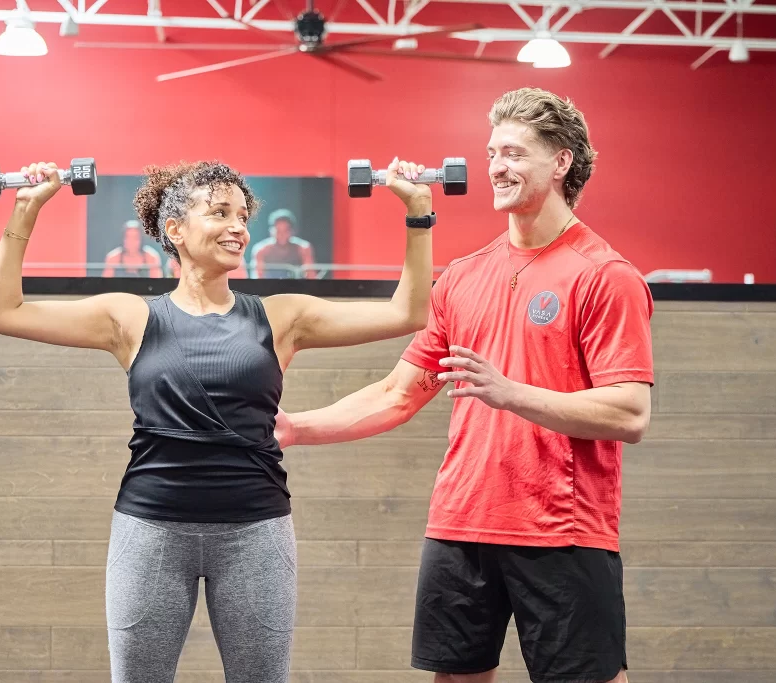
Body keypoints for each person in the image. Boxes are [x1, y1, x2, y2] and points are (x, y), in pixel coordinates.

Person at [0, 156, 437, 683]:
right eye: (220, 213)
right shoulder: (130, 317)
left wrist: (418, 213)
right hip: (150, 529)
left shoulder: (281, 316)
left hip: (255, 531)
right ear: (175, 230)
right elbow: (0, 312)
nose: (238, 227)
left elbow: (407, 313)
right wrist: (26, 209)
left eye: (242, 216)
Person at [275, 87, 655, 683]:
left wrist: (510, 393)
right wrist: (294, 428)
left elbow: (629, 413)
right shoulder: (461, 278)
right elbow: (398, 393)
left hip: (562, 531)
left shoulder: (605, 275)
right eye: (492, 153)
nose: (497, 167)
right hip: (460, 524)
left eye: (514, 153)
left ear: (561, 162)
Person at [249, 208, 317, 278]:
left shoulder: (303, 248)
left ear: (293, 231)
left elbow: (311, 276)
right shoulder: (261, 250)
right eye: (278, 231)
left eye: (286, 231)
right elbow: (257, 277)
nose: (282, 235)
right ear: (271, 231)